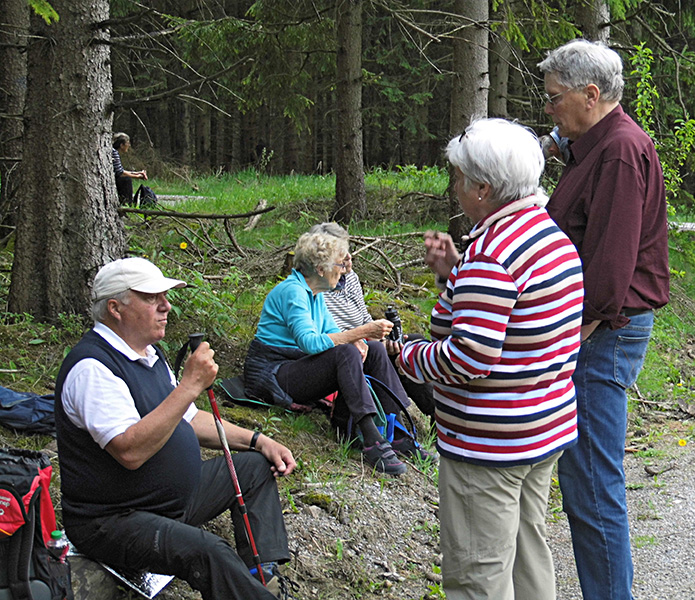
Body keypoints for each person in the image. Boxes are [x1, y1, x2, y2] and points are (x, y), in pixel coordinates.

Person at [396, 118, 584, 600]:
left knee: (478, 570)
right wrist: (451, 275)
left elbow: (469, 356)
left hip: (490, 443)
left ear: (483, 188)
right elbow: (497, 317)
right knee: (527, 554)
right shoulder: (547, 237)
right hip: (542, 428)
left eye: (459, 177)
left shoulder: (492, 254)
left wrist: (409, 358)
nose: (454, 186)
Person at [54, 257, 296, 600]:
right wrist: (189, 386)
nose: (166, 306)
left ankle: (263, 579)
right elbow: (129, 450)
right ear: (115, 308)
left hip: (168, 503)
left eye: (165, 297)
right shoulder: (92, 368)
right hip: (114, 522)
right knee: (209, 552)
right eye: (152, 298)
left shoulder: (149, 355)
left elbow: (189, 417)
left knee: (255, 468)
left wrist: (258, 440)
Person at [538, 39, 670, 600]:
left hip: (602, 336)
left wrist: (564, 342)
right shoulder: (594, 145)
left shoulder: (618, 150)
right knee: (587, 484)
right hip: (597, 333)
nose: (549, 110)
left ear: (591, 95)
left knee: (592, 487)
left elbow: (609, 273)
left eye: (554, 99)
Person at [243, 231, 435, 476]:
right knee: (345, 352)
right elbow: (309, 343)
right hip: (273, 375)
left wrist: (360, 339)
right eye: (338, 264)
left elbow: (331, 331)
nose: (343, 270)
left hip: (295, 365)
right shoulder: (293, 292)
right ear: (321, 268)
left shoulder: (314, 292)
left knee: (373, 349)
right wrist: (360, 332)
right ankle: (370, 437)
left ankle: (392, 429)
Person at [308, 221, 435, 419]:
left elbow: (363, 318)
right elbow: (326, 333)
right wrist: (372, 338)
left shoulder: (351, 279)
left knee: (411, 344)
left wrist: (385, 338)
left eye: (348, 250)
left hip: (367, 340)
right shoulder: (318, 288)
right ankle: (403, 425)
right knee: (396, 355)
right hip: (348, 350)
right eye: (342, 253)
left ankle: (439, 416)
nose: (349, 258)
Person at [112, 132, 148, 204]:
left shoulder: (114, 152)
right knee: (126, 179)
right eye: (127, 143)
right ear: (122, 145)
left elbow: (120, 170)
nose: (129, 145)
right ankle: (126, 203)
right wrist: (137, 176)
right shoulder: (114, 153)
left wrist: (137, 173)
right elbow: (120, 173)